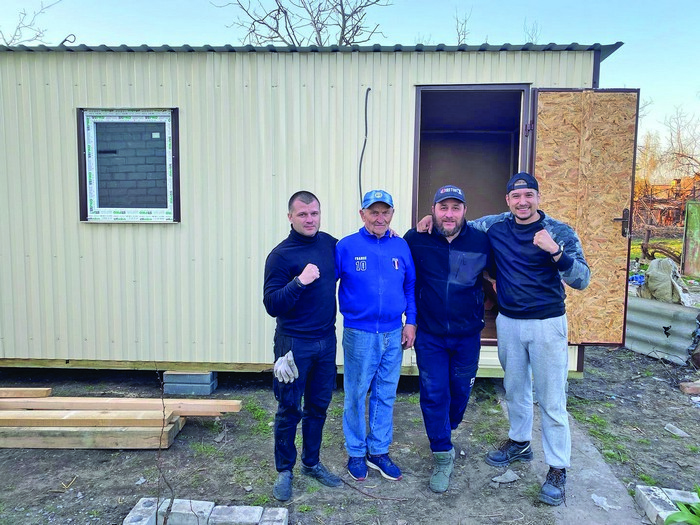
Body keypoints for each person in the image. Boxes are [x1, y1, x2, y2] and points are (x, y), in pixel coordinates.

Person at [469, 172, 590, 506]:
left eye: (528, 195)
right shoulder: (495, 226)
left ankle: (558, 468)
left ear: (538, 197)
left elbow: (582, 280)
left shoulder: (559, 231)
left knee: (551, 398)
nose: (522, 202)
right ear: (508, 200)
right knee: (515, 388)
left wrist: (556, 252)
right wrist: (427, 221)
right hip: (509, 321)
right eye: (516, 196)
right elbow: (459, 225)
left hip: (547, 324)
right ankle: (520, 442)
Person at [404, 185, 491, 493]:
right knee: (433, 393)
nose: (449, 214)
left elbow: (498, 275)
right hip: (430, 335)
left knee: (460, 392)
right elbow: (402, 274)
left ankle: (447, 426)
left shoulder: (481, 241)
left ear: (465, 211)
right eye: (443, 208)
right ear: (433, 210)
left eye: (455, 208)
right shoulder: (416, 239)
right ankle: (442, 452)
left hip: (468, 335)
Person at [263, 190, 342, 502]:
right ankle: (285, 470)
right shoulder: (281, 256)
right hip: (293, 344)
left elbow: (360, 251)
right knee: (289, 408)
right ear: (290, 217)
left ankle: (311, 462)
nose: (310, 220)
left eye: (314, 213)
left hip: (326, 341)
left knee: (318, 406)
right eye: (303, 214)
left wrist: (387, 233)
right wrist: (299, 282)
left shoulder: (330, 245)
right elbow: (272, 304)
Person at [335, 190, 417, 482]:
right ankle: (356, 452)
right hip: (359, 333)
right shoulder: (346, 247)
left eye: (385, 212)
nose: (380, 218)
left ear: (392, 214)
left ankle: (378, 451)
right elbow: (325, 285)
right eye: (374, 212)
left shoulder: (400, 246)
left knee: (386, 392)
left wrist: (411, 322)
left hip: (394, 333)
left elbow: (410, 286)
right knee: (356, 394)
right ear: (362, 214)